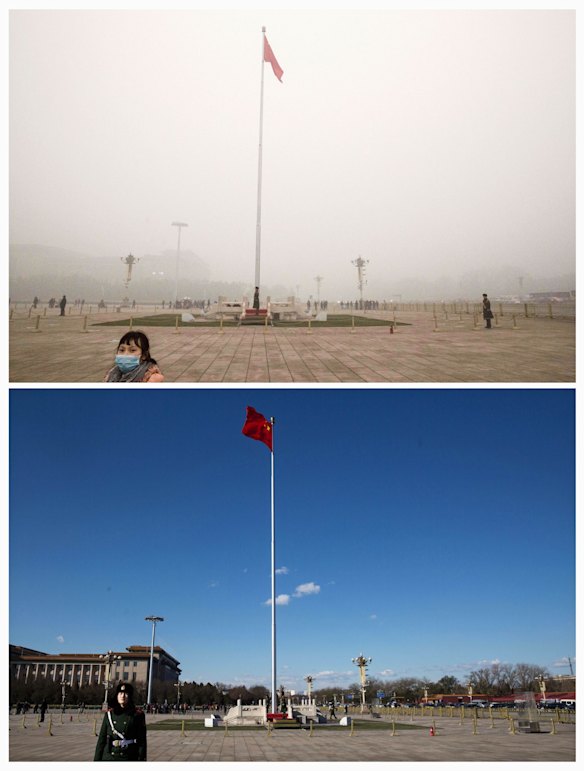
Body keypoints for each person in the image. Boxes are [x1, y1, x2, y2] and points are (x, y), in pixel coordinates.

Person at [94, 682, 146, 762]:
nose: (122, 696)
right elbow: (102, 740)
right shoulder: (109, 714)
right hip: (109, 756)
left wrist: (141, 759)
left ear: (130, 696)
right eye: (120, 693)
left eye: (125, 693)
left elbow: (142, 742)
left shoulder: (137, 715)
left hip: (128, 756)